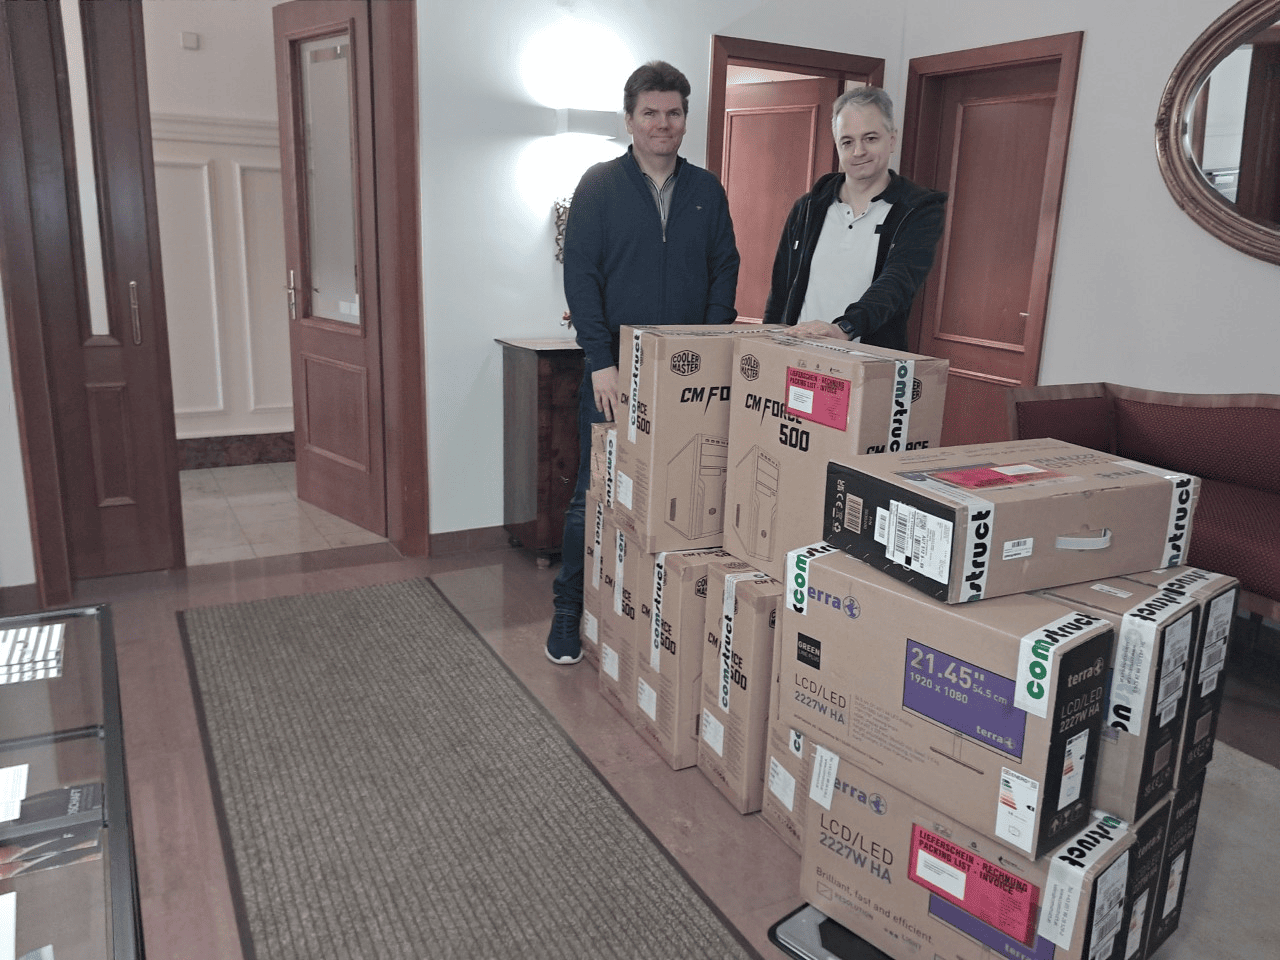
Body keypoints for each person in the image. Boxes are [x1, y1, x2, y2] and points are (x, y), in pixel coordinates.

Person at [547, 60, 740, 664]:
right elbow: (580, 276)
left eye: (673, 112)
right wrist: (599, 360)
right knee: (592, 493)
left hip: (688, 377)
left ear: (686, 118)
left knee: (681, 494)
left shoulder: (706, 191)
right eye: (650, 112)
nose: (663, 123)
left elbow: (725, 268)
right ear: (629, 120)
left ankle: (648, 618)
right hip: (613, 375)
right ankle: (567, 610)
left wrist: (710, 346)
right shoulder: (599, 185)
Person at [763, 87, 947, 350]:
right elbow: (780, 289)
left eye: (870, 138)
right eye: (847, 142)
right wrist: (767, 345)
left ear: (892, 140)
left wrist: (845, 328)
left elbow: (898, 282)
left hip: (868, 362)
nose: (858, 151)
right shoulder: (808, 208)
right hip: (797, 359)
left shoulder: (919, 210)